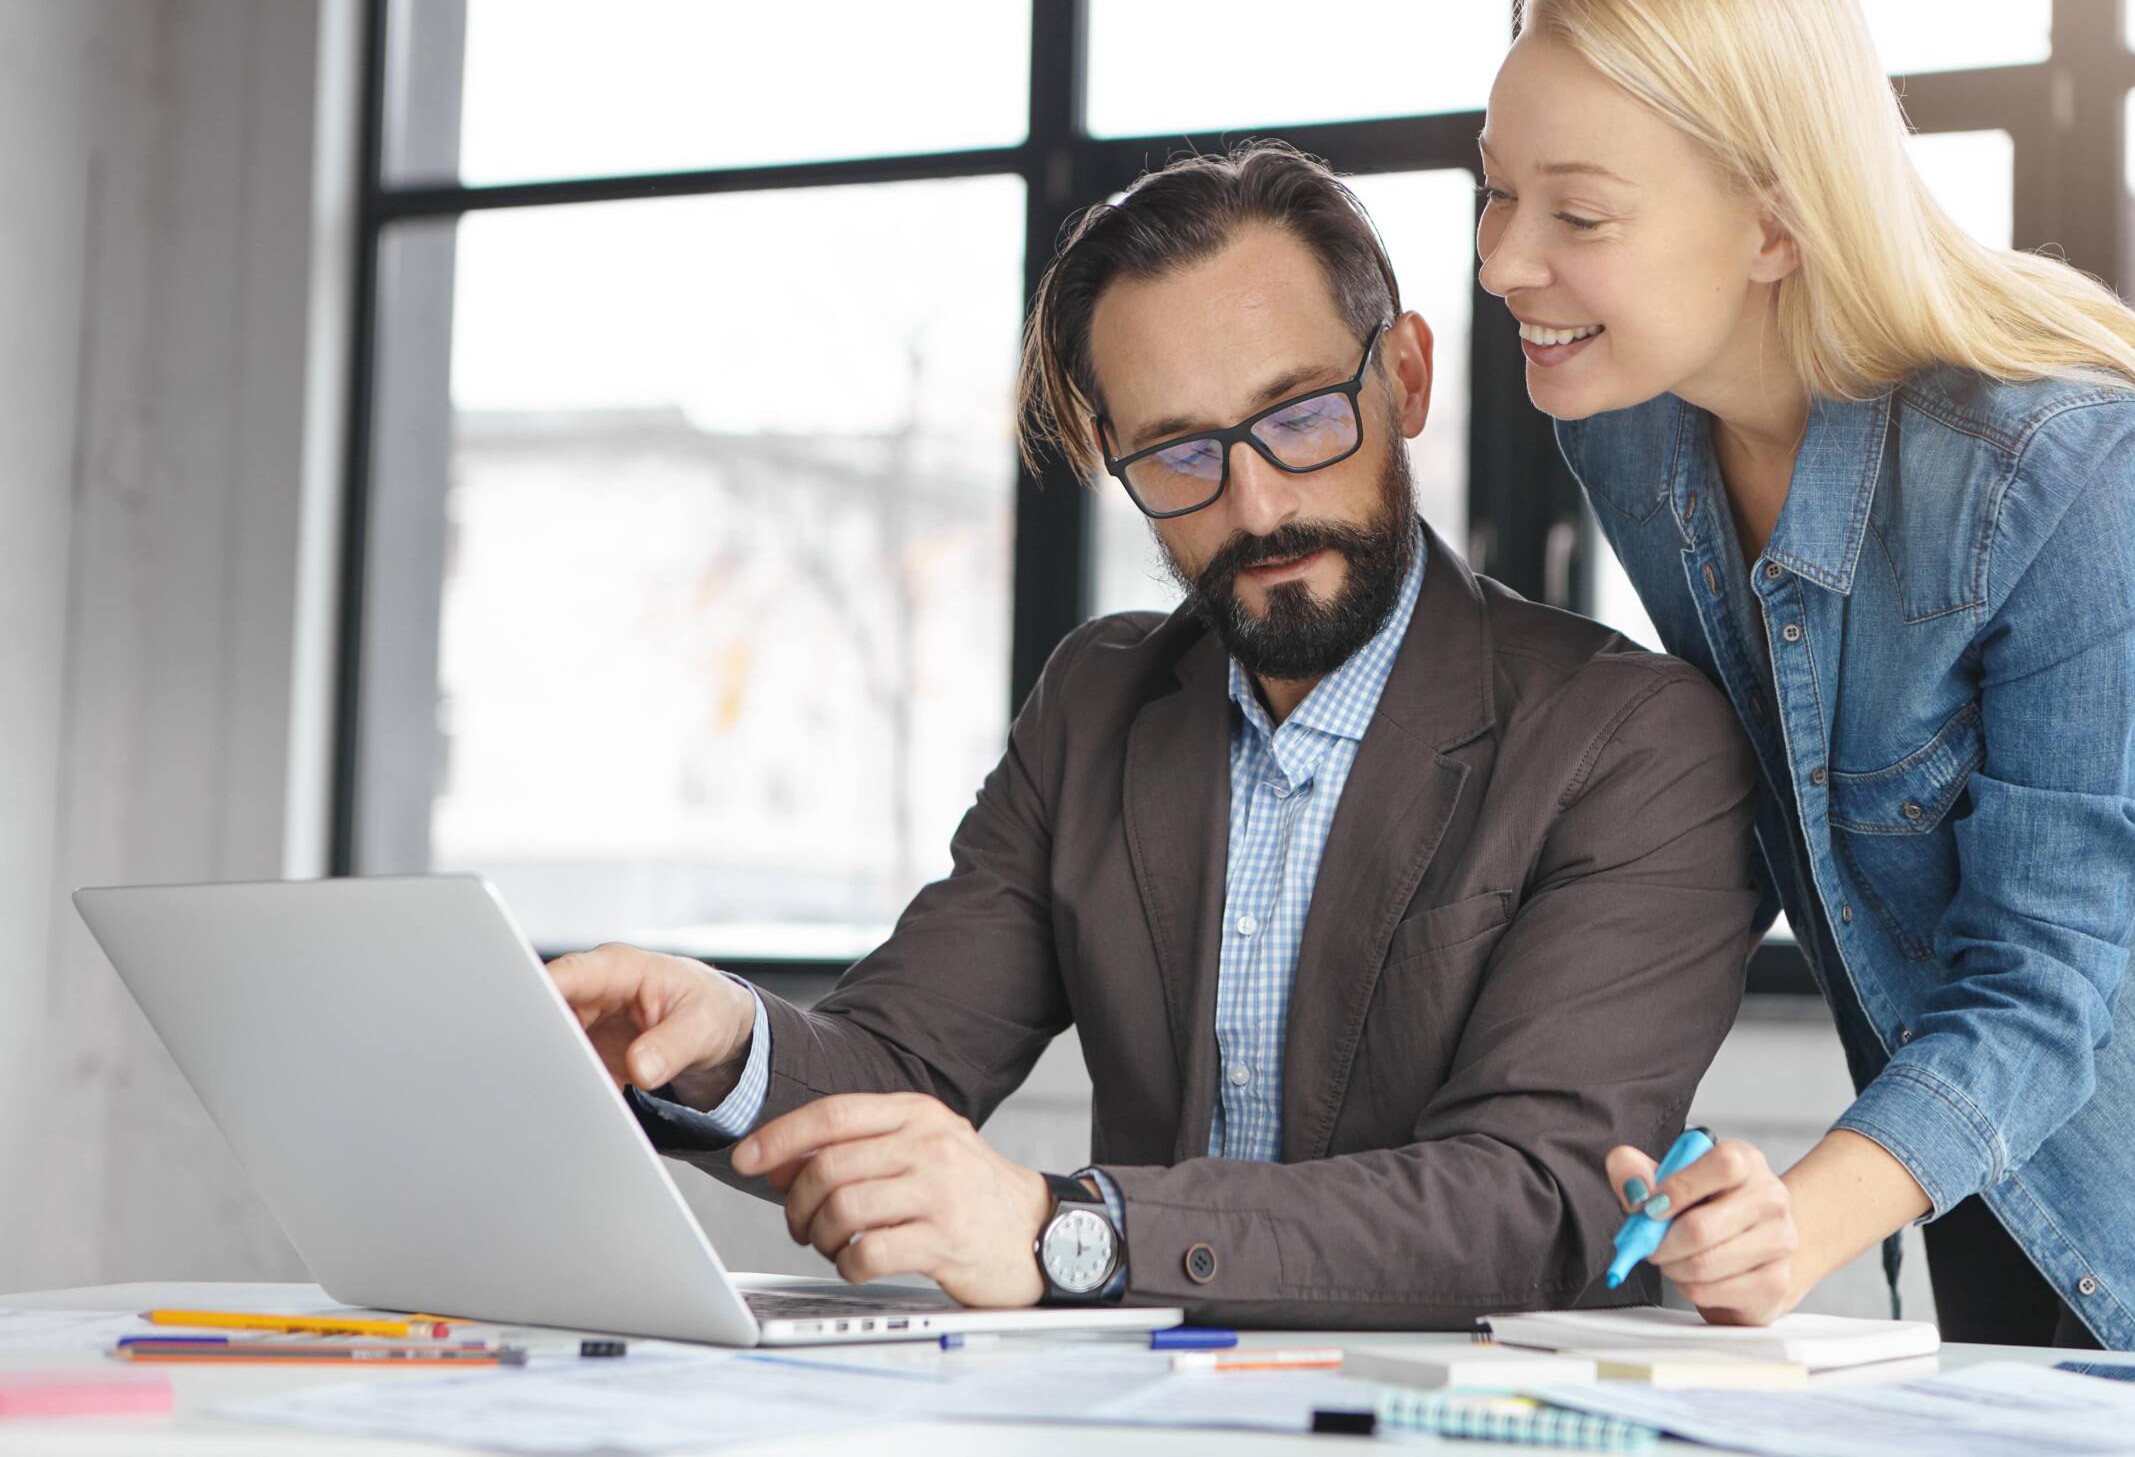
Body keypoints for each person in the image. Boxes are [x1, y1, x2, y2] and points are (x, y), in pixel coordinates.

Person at [1475, 0, 2135, 1407]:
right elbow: (1783, 780)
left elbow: (2049, 970)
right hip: (1963, 1117)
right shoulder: (1625, 421)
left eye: (1580, 214)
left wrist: (1793, 1221)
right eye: (1494, 195)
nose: (1504, 262)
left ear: (1772, 223)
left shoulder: (2055, 460)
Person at [548, 144, 1760, 1325]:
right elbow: (901, 1067)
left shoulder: (1635, 742)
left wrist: (1062, 1231)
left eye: (1297, 417)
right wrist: (721, 1044)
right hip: (1141, 1413)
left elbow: (1533, 1202)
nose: (1257, 504)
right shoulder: (1102, 699)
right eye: (1179, 452)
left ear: (1405, 376)